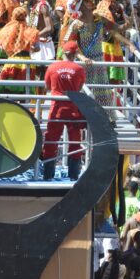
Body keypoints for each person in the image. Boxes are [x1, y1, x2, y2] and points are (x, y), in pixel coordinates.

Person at [41, 41, 86, 180]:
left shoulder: (52, 67)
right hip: (73, 108)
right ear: (75, 54)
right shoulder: (79, 69)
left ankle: (48, 176)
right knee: (75, 141)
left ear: (63, 52)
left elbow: (47, 87)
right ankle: (74, 176)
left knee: (51, 140)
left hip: (57, 109)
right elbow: (79, 88)